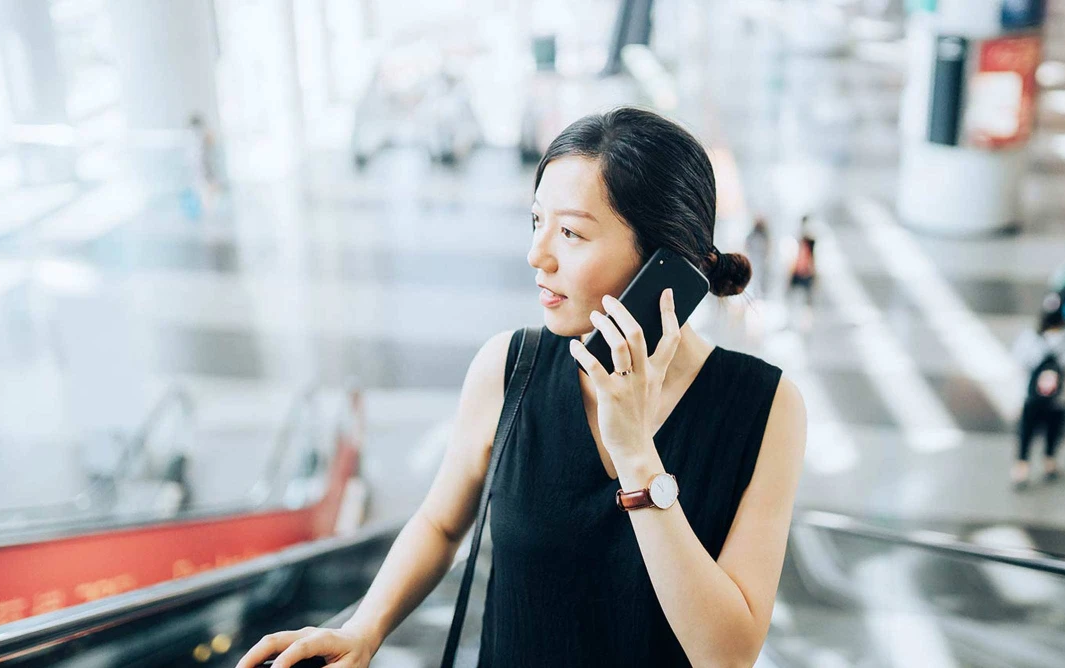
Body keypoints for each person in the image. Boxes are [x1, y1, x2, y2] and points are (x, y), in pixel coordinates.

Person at [237, 108, 807, 667]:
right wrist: (364, 629)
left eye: (570, 233)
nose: (537, 256)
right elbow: (440, 522)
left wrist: (637, 455)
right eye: (537, 222)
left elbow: (727, 656)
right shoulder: (510, 368)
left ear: (664, 262)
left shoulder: (766, 408)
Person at [1010, 306, 1065, 489]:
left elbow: (1019, 365)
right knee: (1054, 429)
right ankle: (1049, 462)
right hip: (1059, 399)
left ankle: (1021, 468)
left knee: (1026, 431)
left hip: (1032, 397)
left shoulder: (1029, 339)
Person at [786, 216, 817, 328]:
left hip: (803, 272)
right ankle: (800, 323)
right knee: (800, 299)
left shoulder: (809, 241)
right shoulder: (802, 240)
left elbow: (813, 258)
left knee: (805, 300)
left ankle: (804, 324)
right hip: (801, 271)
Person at [744, 216, 770, 300]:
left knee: (760, 279)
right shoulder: (752, 235)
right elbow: (747, 245)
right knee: (753, 279)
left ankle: (759, 297)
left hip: (760, 262)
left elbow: (768, 247)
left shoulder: (764, 236)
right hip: (753, 260)